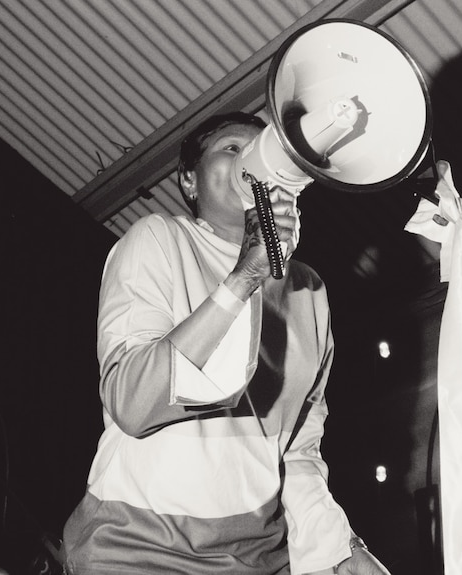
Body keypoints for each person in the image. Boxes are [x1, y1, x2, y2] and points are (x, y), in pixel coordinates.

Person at [62, 111, 390, 575]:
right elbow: (132, 400)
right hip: (138, 549)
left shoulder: (308, 290)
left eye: (261, 151)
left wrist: (342, 550)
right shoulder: (159, 238)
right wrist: (245, 277)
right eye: (232, 149)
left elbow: (295, 449)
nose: (249, 162)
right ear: (189, 180)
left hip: (255, 559)